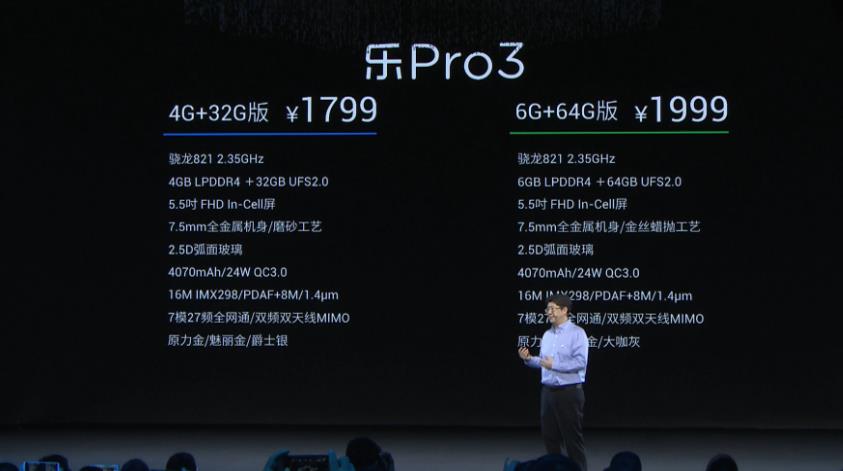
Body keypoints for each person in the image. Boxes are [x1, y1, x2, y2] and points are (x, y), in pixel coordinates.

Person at [518, 293, 589, 471]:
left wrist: (554, 364)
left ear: (564, 310)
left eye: (552, 309)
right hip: (548, 392)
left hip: (569, 392)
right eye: (547, 309)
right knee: (550, 437)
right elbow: (544, 362)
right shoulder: (547, 334)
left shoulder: (577, 333)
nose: (548, 312)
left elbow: (580, 362)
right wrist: (529, 359)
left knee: (572, 439)